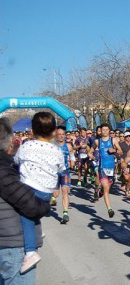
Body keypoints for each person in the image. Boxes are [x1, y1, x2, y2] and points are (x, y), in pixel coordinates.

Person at [0, 117, 51, 284]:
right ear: (8, 143)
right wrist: (45, 200)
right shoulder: (4, 171)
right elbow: (32, 206)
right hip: (12, 246)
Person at [14, 112, 65, 273]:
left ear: (32, 130)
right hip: (47, 192)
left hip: (30, 189)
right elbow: (61, 170)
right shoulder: (56, 150)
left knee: (24, 216)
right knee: (33, 216)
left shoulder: (26, 146)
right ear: (53, 131)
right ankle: (37, 232)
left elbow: (15, 162)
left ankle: (30, 252)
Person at [88, 123, 123, 218]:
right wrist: (91, 155)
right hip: (102, 168)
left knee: (107, 187)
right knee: (106, 187)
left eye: (107, 130)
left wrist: (114, 151)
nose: (105, 131)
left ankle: (100, 192)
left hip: (111, 168)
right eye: (103, 130)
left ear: (109, 130)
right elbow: (90, 152)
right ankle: (110, 209)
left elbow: (121, 151)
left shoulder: (113, 140)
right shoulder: (97, 142)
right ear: (100, 131)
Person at [53, 126, 75, 224]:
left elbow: (72, 156)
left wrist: (73, 162)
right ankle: (51, 199)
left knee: (65, 191)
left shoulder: (68, 146)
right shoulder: (52, 146)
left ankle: (65, 213)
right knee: (56, 194)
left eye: (63, 134)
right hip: (54, 173)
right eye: (59, 135)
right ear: (56, 136)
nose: (61, 136)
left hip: (65, 172)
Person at [119, 131, 130, 198]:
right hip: (124, 163)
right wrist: (120, 158)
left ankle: (127, 191)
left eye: (129, 136)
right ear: (125, 137)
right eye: (127, 136)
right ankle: (123, 180)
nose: (128, 137)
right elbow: (118, 152)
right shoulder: (121, 144)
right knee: (126, 178)